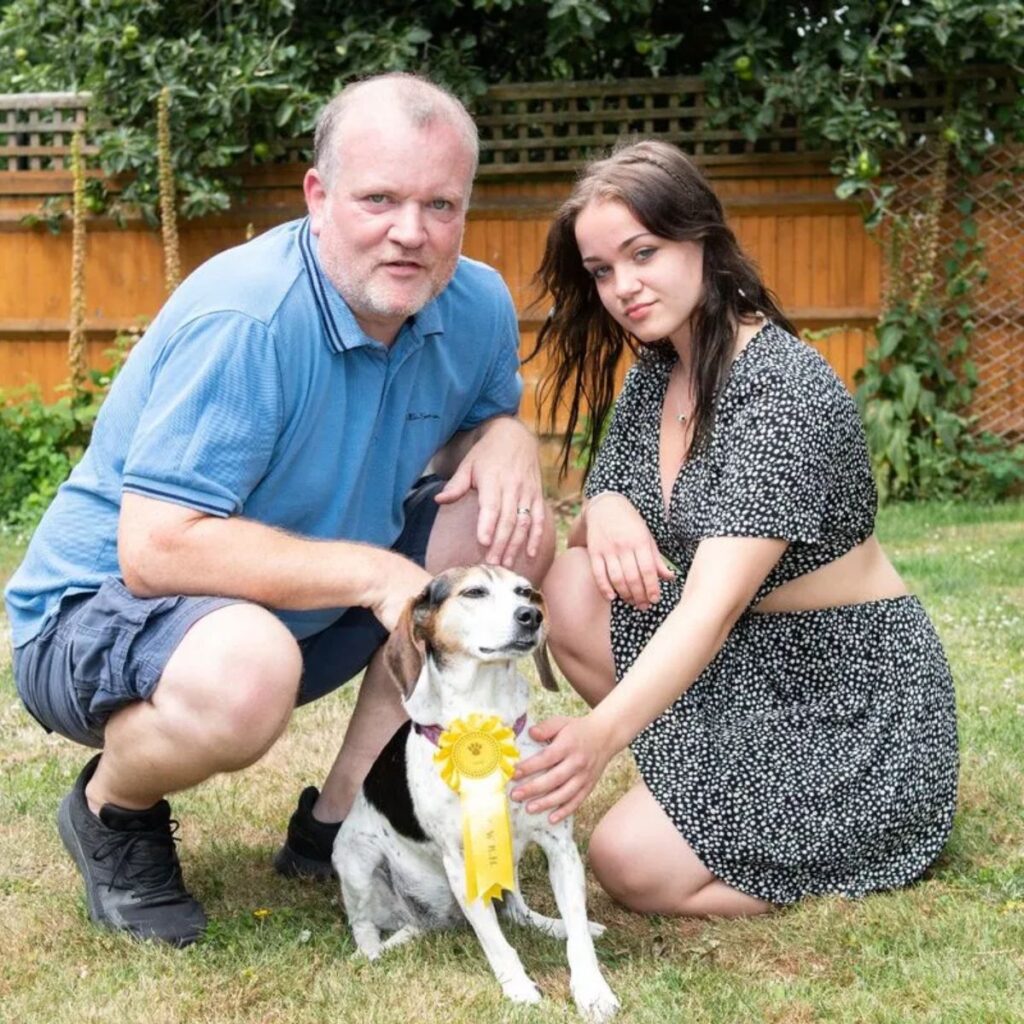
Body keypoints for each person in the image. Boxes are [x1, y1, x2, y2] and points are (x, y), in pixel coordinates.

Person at [3, 73, 554, 947]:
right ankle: (114, 811)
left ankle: (340, 821)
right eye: (380, 199)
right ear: (319, 196)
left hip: (298, 608)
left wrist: (505, 440)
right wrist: (375, 571)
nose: (411, 233)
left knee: (502, 522)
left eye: (440, 205)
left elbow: (476, 429)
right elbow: (153, 549)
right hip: (98, 621)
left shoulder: (475, 302)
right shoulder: (248, 318)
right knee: (250, 665)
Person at [510, 140, 958, 918]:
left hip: (843, 696)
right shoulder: (659, 371)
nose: (623, 287)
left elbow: (710, 609)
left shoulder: (780, 388)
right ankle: (696, 785)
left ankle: (814, 835)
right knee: (570, 583)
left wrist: (600, 736)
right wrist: (608, 506)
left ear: (703, 240)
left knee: (626, 863)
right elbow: (597, 528)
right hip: (745, 668)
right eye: (602, 270)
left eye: (642, 253)